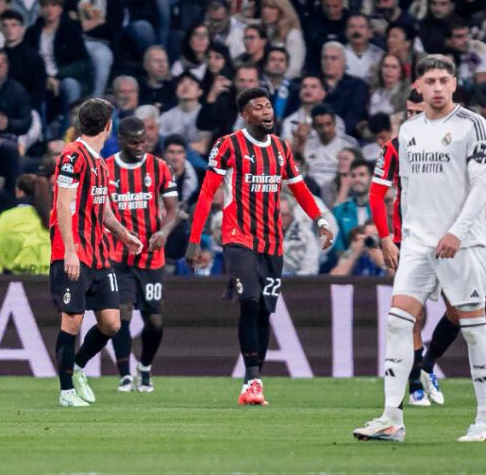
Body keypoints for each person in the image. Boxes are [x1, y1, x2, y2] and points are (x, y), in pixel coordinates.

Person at [355, 55, 486, 443]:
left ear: (454, 83)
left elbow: (481, 185)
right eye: (431, 81)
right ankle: (391, 419)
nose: (438, 88)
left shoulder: (473, 126)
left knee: (475, 330)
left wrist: (458, 232)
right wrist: (402, 236)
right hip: (418, 242)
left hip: (462, 243)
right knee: (398, 321)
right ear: (419, 86)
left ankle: (483, 420)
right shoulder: (409, 130)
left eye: (444, 80)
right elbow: (407, 190)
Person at [187, 87, 333, 406]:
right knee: (250, 301)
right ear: (245, 115)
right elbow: (207, 192)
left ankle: (254, 382)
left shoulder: (280, 148)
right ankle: (252, 376)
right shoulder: (228, 145)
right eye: (259, 107)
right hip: (238, 239)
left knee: (264, 311)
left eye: (268, 106)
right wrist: (195, 238)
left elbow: (299, 189)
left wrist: (320, 219)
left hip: (272, 243)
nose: (267, 111)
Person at [51, 98, 142, 408]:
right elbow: (64, 204)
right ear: (108, 126)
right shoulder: (71, 156)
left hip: (100, 255)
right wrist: (71, 252)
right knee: (72, 321)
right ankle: (65, 392)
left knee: (111, 324)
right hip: (73, 254)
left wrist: (125, 236)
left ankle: (76, 368)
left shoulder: (101, 163)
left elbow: (102, 212)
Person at [106, 117, 179, 394]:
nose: (140, 147)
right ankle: (125, 374)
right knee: (121, 314)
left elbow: (172, 210)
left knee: (155, 321)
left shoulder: (159, 167)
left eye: (144, 142)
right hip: (119, 255)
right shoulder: (107, 168)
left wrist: (164, 232)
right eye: (134, 142)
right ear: (121, 141)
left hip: (150, 256)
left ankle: (145, 367)